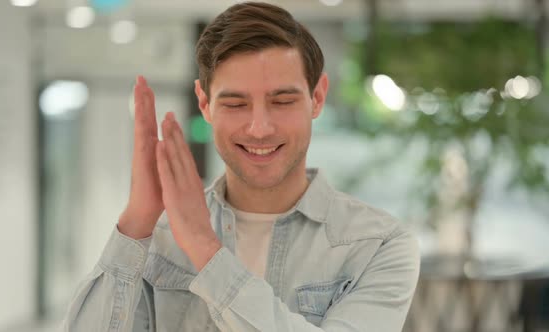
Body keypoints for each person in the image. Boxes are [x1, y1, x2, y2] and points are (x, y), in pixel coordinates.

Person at [61, 2, 420, 331]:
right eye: (235, 104)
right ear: (204, 103)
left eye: (282, 101)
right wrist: (138, 221)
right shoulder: (158, 236)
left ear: (318, 98)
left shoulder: (378, 245)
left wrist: (205, 250)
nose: (260, 128)